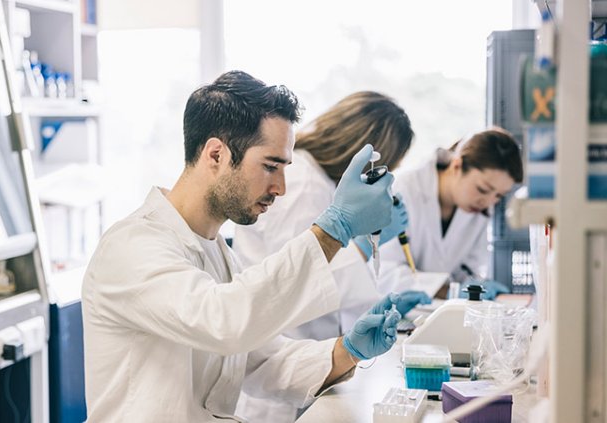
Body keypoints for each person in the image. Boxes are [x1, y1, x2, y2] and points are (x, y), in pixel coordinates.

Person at [81, 70, 403, 422]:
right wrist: (334, 228)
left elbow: (263, 359)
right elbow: (223, 321)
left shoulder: (217, 253)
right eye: (270, 166)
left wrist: (348, 351)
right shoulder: (133, 247)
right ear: (216, 155)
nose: (280, 187)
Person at [232, 91, 431, 422]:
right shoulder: (303, 183)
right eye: (385, 166)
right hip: (275, 369)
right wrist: (366, 244)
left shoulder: (317, 179)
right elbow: (306, 276)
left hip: (301, 358)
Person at [378, 128, 523, 299]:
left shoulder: (479, 208)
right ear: (457, 166)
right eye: (482, 189)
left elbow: (469, 269)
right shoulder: (403, 190)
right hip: (394, 311)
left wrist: (473, 287)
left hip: (441, 313)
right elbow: (385, 272)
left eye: (499, 195)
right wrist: (449, 291)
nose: (488, 202)